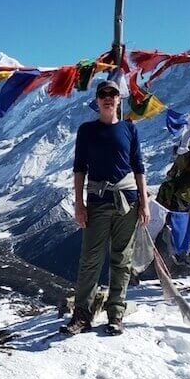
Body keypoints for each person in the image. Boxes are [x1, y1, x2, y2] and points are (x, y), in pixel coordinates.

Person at [60, 79, 150, 336]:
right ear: (97, 101)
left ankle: (115, 315)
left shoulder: (129, 130)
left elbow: (139, 168)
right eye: (103, 95)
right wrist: (79, 204)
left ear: (119, 99)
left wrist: (144, 203)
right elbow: (79, 169)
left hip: (128, 201)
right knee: (90, 258)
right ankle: (82, 315)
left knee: (122, 259)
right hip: (97, 200)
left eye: (113, 94)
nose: (108, 98)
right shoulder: (86, 131)